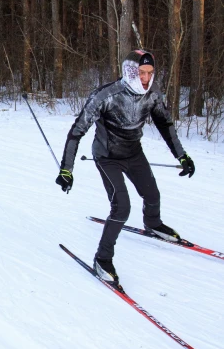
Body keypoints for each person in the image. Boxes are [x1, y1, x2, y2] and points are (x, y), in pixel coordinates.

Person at [55, 49, 196, 286]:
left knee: (152, 195)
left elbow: (166, 125)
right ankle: (102, 259)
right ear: (130, 71)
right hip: (107, 156)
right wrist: (66, 169)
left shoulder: (151, 95)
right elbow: (76, 132)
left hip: (133, 153)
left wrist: (182, 156)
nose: (146, 78)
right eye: (141, 72)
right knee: (122, 207)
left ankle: (153, 224)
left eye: (150, 73)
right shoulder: (105, 96)